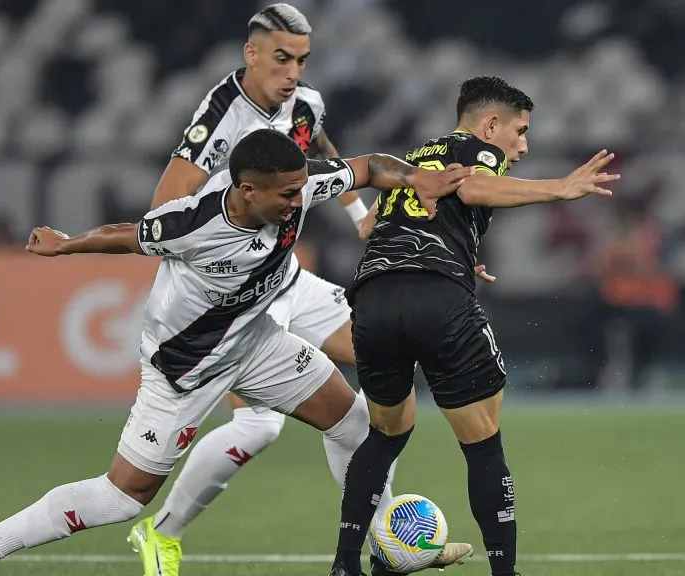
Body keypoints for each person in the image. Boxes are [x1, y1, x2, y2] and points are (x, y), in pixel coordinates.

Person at [0, 128, 472, 576]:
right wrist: (66, 244)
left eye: (299, 191)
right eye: (284, 196)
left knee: (354, 423)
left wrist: (416, 176)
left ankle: (385, 545)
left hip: (257, 343)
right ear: (246, 190)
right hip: (183, 372)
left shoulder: (299, 187)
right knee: (124, 498)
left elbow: (369, 166)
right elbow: (129, 234)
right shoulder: (195, 224)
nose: (296, 204)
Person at [132, 5, 477, 573]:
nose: (293, 72)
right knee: (260, 425)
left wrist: (358, 212)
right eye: (282, 58)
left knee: (381, 364)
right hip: (231, 300)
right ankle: (161, 533)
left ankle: (389, 543)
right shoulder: (219, 121)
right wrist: (225, 238)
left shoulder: (306, 104)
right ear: (252, 53)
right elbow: (164, 213)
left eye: (302, 60)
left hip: (287, 281)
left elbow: (320, 146)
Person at [330, 76, 620, 576]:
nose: (524, 146)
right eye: (520, 131)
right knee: (483, 440)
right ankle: (505, 573)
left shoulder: (414, 160)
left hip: (374, 298)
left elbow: (374, 228)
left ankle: (343, 566)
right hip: (437, 300)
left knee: (385, 434)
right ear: (490, 125)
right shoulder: (473, 151)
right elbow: (475, 185)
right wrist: (561, 188)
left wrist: (460, 258)